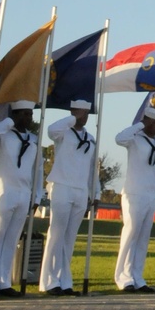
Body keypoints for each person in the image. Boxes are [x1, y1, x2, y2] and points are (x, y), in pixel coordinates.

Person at [39, 98, 100, 296]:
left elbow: (92, 169)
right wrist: (72, 119)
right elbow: (51, 129)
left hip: (81, 190)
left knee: (70, 238)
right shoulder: (63, 133)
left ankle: (64, 281)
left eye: (85, 113)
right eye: (78, 112)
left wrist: (95, 192)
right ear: (73, 112)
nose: (83, 117)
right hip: (62, 186)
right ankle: (49, 281)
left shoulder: (91, 138)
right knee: (56, 234)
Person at [114, 104, 155, 292]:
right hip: (134, 193)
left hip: (149, 195)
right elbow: (119, 138)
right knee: (130, 234)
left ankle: (137, 276)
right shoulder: (135, 139)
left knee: (143, 238)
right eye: (152, 123)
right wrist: (140, 125)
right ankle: (123, 277)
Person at [0, 101, 43, 297]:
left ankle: (3, 282)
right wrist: (7, 123)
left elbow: (37, 169)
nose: (29, 118)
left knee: (12, 240)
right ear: (14, 115)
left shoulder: (33, 139)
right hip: (3, 191)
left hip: (24, 193)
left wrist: (37, 194)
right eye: (24, 114)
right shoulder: (3, 135)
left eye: (30, 114)